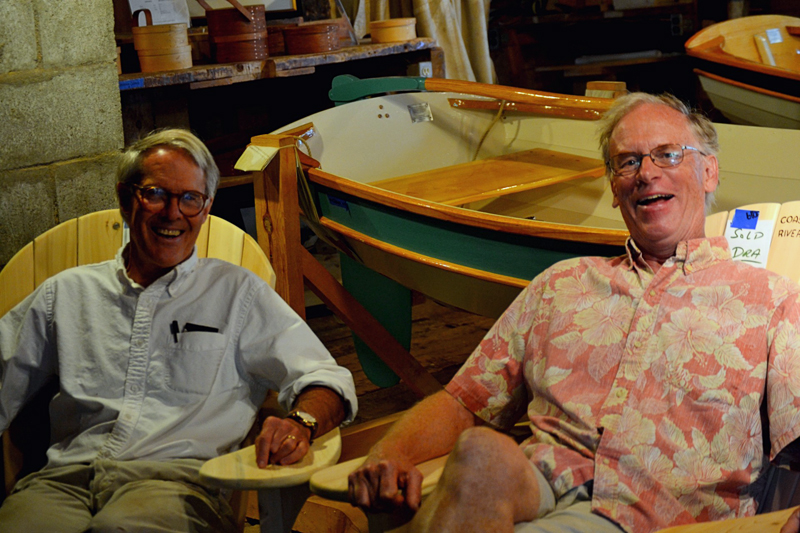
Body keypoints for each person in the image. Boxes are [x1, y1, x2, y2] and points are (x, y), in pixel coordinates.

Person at [347, 92, 800, 533]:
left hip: (659, 515)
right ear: (613, 187)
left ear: (709, 171)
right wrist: (391, 452)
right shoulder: (561, 284)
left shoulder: (769, 299)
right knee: (479, 452)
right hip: (538, 483)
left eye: (668, 154)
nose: (646, 173)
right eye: (628, 161)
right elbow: (464, 402)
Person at [0, 129, 357, 532]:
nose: (173, 213)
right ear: (124, 197)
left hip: (176, 488)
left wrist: (301, 423)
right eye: (155, 194)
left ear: (206, 210)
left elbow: (324, 377)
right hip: (60, 484)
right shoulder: (66, 294)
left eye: (190, 198)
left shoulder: (237, 294)